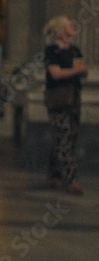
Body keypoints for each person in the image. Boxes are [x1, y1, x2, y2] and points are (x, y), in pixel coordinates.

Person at [43, 15, 88, 195]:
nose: (72, 27)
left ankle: (54, 174)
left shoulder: (75, 50)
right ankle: (70, 179)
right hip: (58, 98)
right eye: (69, 25)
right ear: (60, 30)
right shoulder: (51, 51)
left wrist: (71, 71)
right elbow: (55, 74)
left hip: (74, 97)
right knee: (63, 137)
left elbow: (83, 70)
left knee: (70, 137)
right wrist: (74, 70)